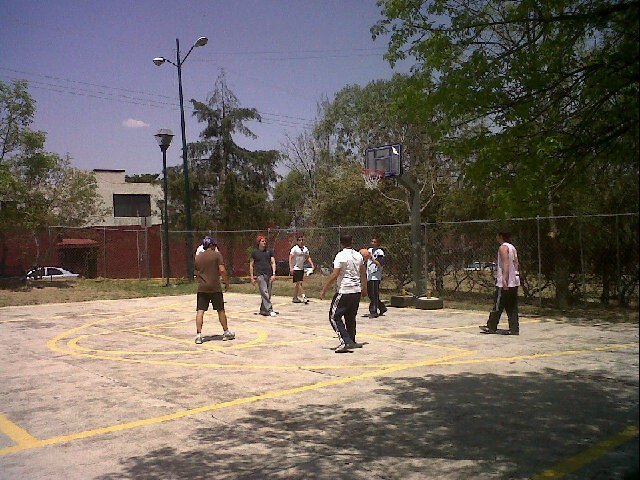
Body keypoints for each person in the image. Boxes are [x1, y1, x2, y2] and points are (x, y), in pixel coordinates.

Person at [320, 234, 368, 353]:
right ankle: (351, 340)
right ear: (352, 242)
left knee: (334, 316)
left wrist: (324, 289)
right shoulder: (358, 255)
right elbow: (363, 273)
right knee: (350, 316)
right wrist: (364, 287)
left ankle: (345, 341)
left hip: (345, 290)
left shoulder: (340, 256)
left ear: (341, 243)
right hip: (356, 290)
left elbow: (335, 274)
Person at [194, 236, 234, 344]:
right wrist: (226, 282)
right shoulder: (217, 255)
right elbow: (222, 270)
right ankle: (226, 332)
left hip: (202, 288)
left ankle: (198, 335)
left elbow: (196, 273)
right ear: (211, 245)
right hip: (215, 287)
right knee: (220, 310)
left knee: (200, 310)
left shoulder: (198, 257)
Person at [480, 231, 520, 335]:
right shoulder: (512, 247)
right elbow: (516, 263)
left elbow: (505, 263)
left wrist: (504, 279)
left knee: (498, 305)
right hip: (514, 281)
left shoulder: (503, 247)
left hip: (505, 282)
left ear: (501, 237)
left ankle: (491, 326)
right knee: (512, 306)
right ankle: (514, 328)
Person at [250, 236, 278, 317]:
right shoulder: (254, 252)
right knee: (264, 292)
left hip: (268, 274)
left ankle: (263, 310)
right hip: (260, 275)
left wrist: (273, 274)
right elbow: (251, 265)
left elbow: (273, 262)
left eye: (265, 241)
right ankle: (269, 310)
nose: (264, 243)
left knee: (268, 294)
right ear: (258, 242)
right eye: (262, 241)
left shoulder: (269, 251)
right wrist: (252, 277)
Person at [289, 234, 315, 304]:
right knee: (299, 282)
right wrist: (291, 267)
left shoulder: (305, 249)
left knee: (298, 284)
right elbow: (290, 257)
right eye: (299, 240)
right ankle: (304, 296)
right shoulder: (294, 249)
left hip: (301, 268)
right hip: (295, 268)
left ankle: (295, 297)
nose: (301, 241)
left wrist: (312, 264)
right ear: (297, 241)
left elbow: (308, 257)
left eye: (302, 240)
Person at [366, 236, 387, 318]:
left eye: (375, 242)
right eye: (372, 241)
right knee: (370, 294)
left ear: (378, 243)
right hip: (369, 275)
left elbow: (380, 264)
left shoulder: (380, 252)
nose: (373, 243)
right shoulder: (369, 250)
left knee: (374, 294)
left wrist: (372, 259)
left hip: (376, 275)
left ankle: (373, 311)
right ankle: (382, 307)